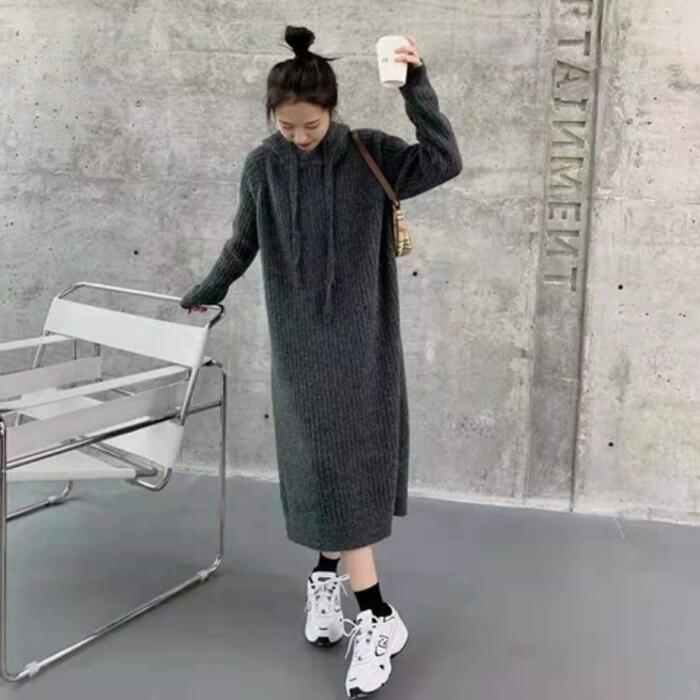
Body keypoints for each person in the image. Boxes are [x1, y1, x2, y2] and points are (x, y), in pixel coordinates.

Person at [180, 24, 462, 698]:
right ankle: (326, 582)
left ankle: (377, 617)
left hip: (361, 346)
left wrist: (416, 84)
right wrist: (210, 287)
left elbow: (444, 159)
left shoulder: (371, 154)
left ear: (332, 110)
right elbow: (243, 241)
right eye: (287, 126)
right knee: (319, 468)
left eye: (310, 124)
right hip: (299, 349)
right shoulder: (263, 167)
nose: (299, 136)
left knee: (345, 468)